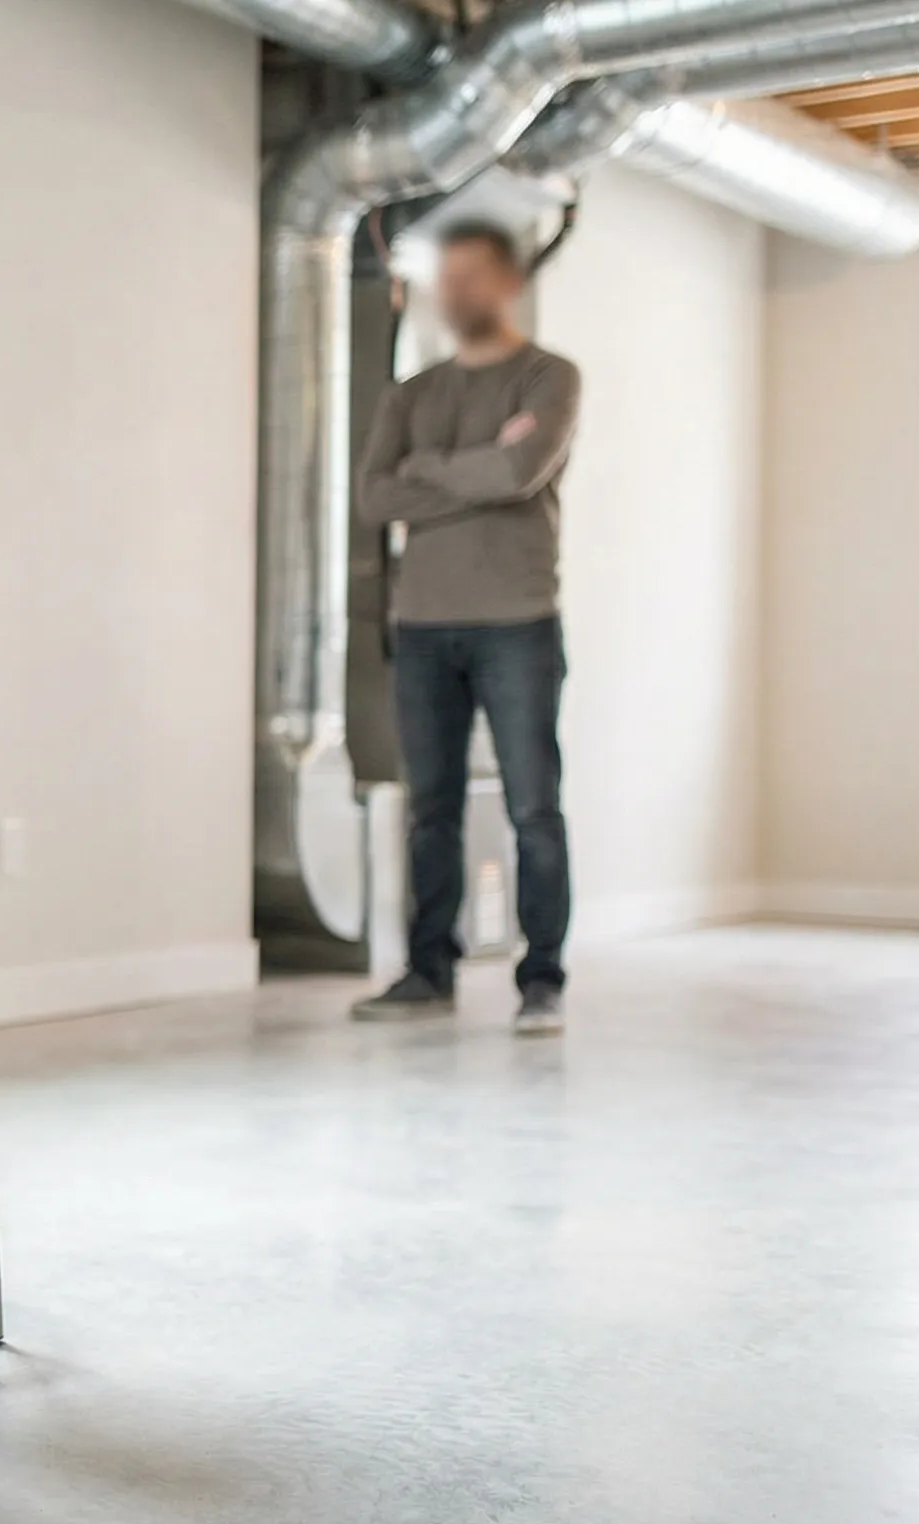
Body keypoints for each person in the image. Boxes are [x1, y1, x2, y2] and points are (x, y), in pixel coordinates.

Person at [348, 221, 581, 1036]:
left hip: (517, 621)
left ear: (508, 282)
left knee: (533, 808)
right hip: (422, 625)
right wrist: (476, 472)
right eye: (448, 277)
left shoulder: (548, 377)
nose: (459, 293)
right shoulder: (412, 395)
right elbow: (375, 498)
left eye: (475, 276)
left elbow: (522, 472)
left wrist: (429, 473)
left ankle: (542, 980)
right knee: (430, 808)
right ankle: (427, 970)